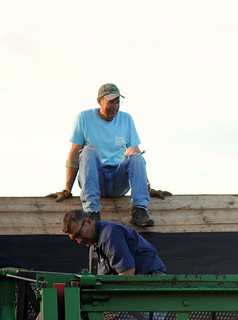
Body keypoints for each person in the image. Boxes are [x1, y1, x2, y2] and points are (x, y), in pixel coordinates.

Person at [49, 83, 169, 228]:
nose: (115, 106)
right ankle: (92, 212)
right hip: (94, 179)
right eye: (110, 102)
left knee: (135, 155)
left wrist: (147, 186)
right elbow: (74, 153)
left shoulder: (126, 119)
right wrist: (68, 188)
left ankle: (139, 210)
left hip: (117, 180)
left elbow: (135, 153)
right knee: (88, 151)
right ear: (99, 101)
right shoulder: (84, 118)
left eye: (117, 102)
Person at [62, 208, 166, 320]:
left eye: (79, 235)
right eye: (74, 239)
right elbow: (99, 284)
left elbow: (127, 276)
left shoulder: (110, 234)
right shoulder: (93, 248)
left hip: (150, 292)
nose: (79, 241)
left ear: (88, 222)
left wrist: (111, 310)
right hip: (135, 295)